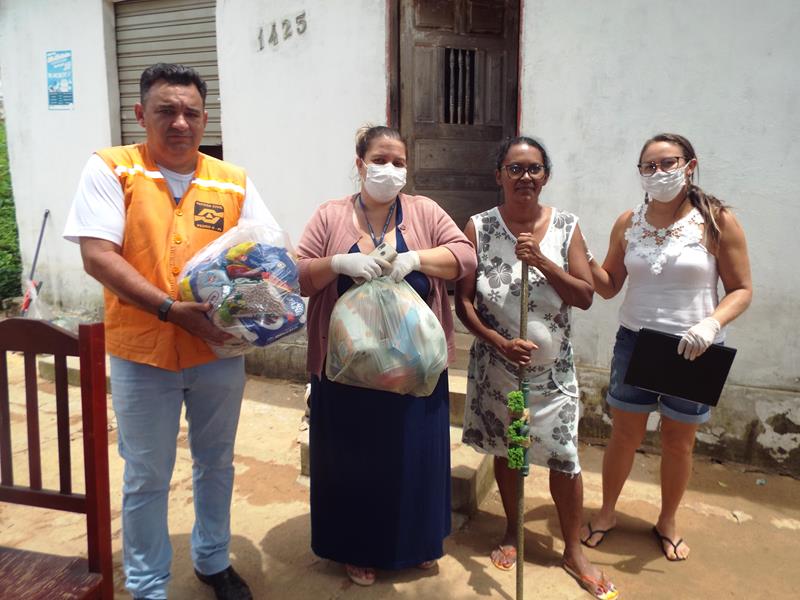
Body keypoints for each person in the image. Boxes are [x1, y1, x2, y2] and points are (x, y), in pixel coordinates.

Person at [63, 63, 278, 600]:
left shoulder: (231, 180)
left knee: (217, 463)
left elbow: (270, 258)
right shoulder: (113, 169)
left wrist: (257, 309)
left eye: (191, 113)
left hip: (217, 353)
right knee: (146, 475)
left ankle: (211, 560)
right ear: (141, 115)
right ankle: (147, 586)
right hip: (143, 353)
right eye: (166, 111)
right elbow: (97, 255)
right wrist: (167, 307)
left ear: (206, 120)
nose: (180, 122)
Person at [295, 125, 476, 586]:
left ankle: (416, 543)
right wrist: (337, 263)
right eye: (380, 159)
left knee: (415, 458)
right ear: (359, 164)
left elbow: (464, 257)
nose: (390, 169)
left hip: (414, 371)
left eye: (399, 162)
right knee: (353, 462)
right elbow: (296, 275)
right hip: (345, 373)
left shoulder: (424, 212)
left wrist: (415, 259)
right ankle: (357, 547)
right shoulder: (329, 216)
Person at [456, 136, 619, 600]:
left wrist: (542, 261)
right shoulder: (480, 227)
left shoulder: (566, 226)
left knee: (564, 458)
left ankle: (573, 550)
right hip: (500, 368)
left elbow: (585, 297)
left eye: (533, 169)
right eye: (515, 168)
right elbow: (463, 301)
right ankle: (513, 530)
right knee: (512, 451)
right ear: (499, 176)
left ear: (545, 176)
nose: (524, 177)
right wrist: (495, 341)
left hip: (553, 376)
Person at [578, 133, 752, 561]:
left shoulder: (716, 220)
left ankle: (668, 520)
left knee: (679, 441)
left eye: (667, 163)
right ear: (640, 173)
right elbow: (609, 286)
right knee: (624, 435)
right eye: (649, 166)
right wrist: (580, 258)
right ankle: (606, 512)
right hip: (634, 342)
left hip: (695, 348)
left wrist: (711, 324)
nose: (658, 173)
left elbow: (742, 289)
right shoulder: (628, 222)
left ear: (689, 165)